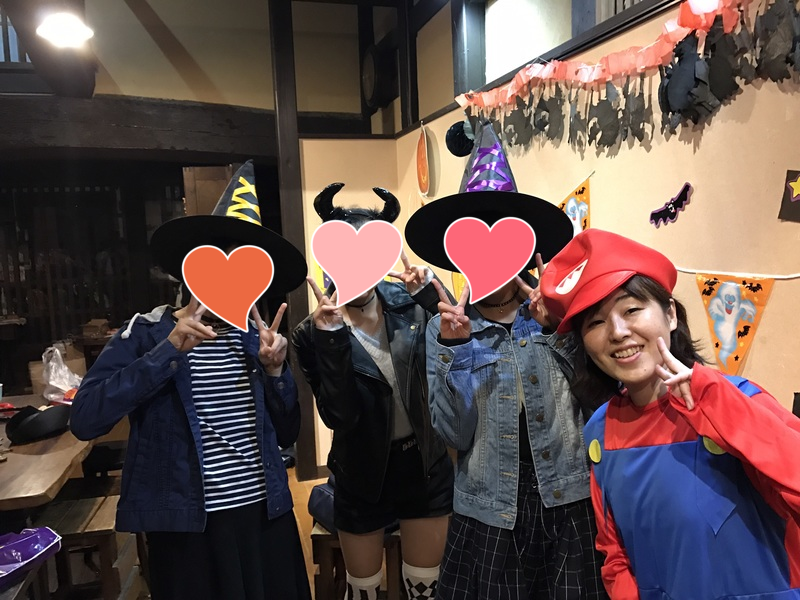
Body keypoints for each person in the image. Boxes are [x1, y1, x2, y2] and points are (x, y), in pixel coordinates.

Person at [70, 160, 312, 600]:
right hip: (188, 528)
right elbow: (86, 419)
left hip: (265, 513)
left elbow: (287, 432)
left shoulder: (256, 339)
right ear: (191, 269)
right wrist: (167, 352)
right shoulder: (147, 331)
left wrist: (277, 372)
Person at [539, 228, 800, 600]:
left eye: (631, 309)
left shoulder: (738, 398)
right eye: (595, 322)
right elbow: (615, 555)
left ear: (671, 314)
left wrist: (714, 402)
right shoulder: (600, 430)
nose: (618, 332)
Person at [405, 121, 607, 600]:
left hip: (569, 505)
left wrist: (556, 325)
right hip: (489, 513)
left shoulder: (560, 315)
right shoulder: (443, 329)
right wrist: (458, 349)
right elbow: (455, 435)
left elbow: (597, 400)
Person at [292, 182, 454, 600]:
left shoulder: (409, 301)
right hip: (360, 474)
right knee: (363, 590)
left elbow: (460, 345)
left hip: (424, 467)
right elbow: (340, 416)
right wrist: (331, 340)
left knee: (426, 589)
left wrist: (429, 295)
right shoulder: (311, 333)